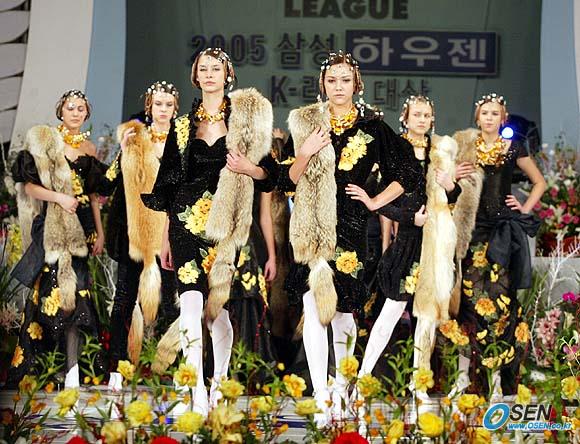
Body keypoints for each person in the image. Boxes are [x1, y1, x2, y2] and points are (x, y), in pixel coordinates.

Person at [278, 51, 422, 423]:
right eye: (332, 80)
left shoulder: (373, 126)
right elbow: (286, 180)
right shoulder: (306, 121)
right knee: (312, 306)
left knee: (343, 313)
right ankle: (321, 395)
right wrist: (304, 153)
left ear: (357, 84)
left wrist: (375, 201)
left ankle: (342, 388)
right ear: (322, 84)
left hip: (352, 227)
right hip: (311, 225)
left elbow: (408, 172)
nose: (338, 86)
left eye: (345, 80)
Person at [142, 48, 276, 415]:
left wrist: (250, 168)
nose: (210, 74)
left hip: (227, 227)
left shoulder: (245, 123)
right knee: (190, 303)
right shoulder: (183, 126)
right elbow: (169, 186)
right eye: (204, 68)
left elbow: (270, 175)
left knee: (219, 310)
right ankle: (196, 388)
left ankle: (218, 382)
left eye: (216, 68)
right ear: (195, 76)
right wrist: (167, 236)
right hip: (186, 224)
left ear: (228, 74)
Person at [357, 96, 473, 398]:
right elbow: (381, 201)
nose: (422, 120)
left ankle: (419, 383)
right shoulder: (395, 149)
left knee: (427, 317)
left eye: (427, 115)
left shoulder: (440, 150)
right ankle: (363, 379)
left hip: (436, 242)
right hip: (408, 242)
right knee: (390, 312)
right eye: (417, 115)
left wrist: (449, 184)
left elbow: (452, 197)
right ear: (405, 118)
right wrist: (411, 218)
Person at [445, 93, 545, 398]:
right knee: (468, 301)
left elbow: (539, 182)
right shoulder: (465, 147)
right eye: (485, 113)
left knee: (500, 303)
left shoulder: (512, 147)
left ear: (503, 118)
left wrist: (524, 207)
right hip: (473, 231)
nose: (489, 118)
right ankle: (463, 377)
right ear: (477, 117)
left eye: (495, 113)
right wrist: (453, 175)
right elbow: (446, 185)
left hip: (502, 232)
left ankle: (497, 377)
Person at [9, 90, 106, 388]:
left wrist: (100, 231)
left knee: (79, 296)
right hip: (53, 226)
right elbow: (29, 187)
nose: (75, 113)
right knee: (50, 297)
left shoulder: (89, 148)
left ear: (86, 114)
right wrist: (60, 198)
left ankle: (73, 370)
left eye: (81, 109)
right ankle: (47, 368)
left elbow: (92, 194)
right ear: (60, 112)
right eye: (70, 108)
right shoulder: (46, 142)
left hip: (81, 229)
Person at [99, 81, 180, 372]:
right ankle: (117, 366)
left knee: (172, 303)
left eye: (169, 105)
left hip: (169, 232)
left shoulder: (182, 142)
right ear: (149, 107)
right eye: (158, 104)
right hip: (135, 231)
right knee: (124, 297)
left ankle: (170, 368)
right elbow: (106, 184)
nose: (163, 110)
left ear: (175, 109)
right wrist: (122, 152)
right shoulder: (135, 140)